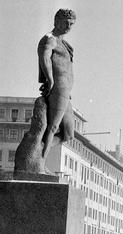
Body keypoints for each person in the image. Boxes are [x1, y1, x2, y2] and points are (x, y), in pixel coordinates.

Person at [38, 9, 76, 160]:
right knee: (53, 127)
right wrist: (50, 79)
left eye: (71, 24)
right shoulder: (50, 39)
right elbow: (45, 58)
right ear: (57, 21)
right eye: (66, 22)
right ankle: (39, 162)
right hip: (58, 87)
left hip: (66, 91)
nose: (68, 26)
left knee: (68, 133)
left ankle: (38, 150)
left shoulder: (63, 43)